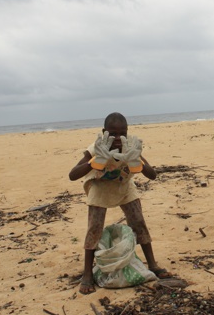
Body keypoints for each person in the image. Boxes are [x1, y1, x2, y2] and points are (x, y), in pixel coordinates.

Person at [69, 112, 171, 294]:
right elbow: (73, 174)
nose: (118, 138)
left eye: (122, 133)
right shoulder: (96, 148)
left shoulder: (130, 147)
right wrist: (94, 162)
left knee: (139, 222)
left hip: (124, 186)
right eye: (113, 133)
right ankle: (87, 274)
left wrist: (136, 162)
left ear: (128, 132)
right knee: (94, 228)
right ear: (103, 132)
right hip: (100, 187)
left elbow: (152, 175)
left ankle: (153, 264)